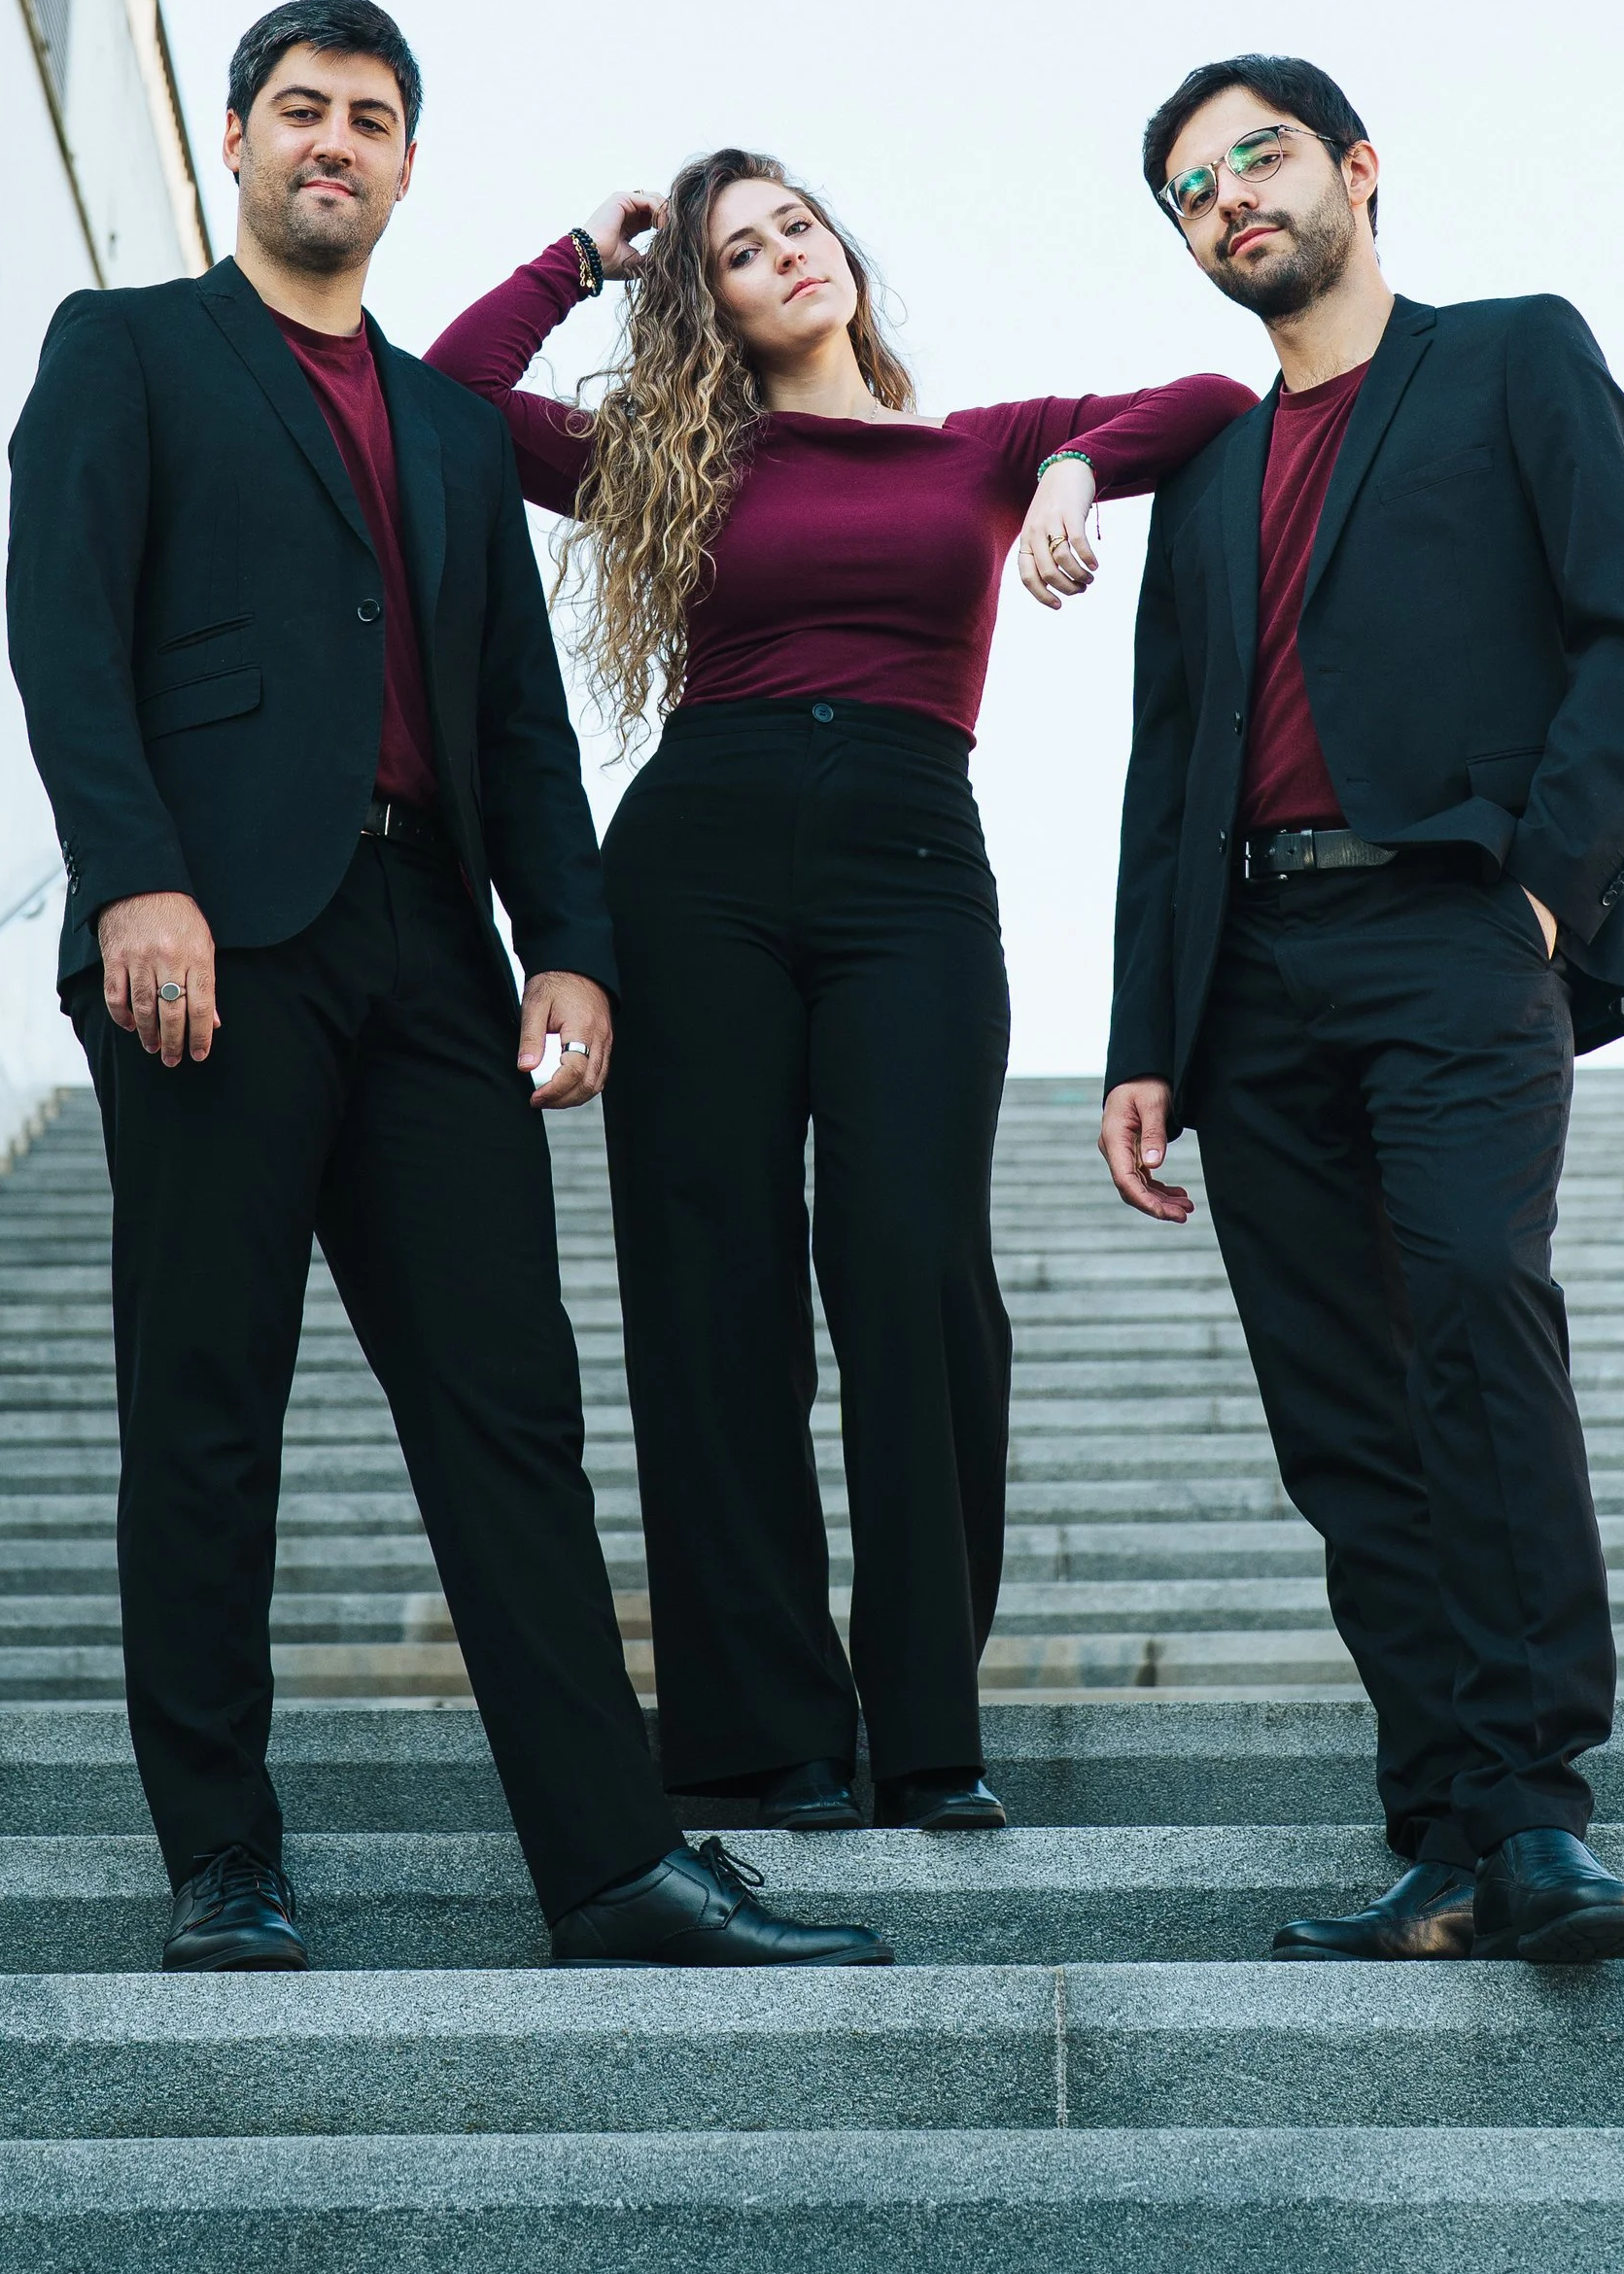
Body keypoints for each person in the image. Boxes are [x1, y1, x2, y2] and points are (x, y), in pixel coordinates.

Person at [6, 0, 887, 1975]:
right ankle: (221, 1858)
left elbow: (515, 715)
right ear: (235, 140)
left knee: (511, 1407)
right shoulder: (126, 350)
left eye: (372, 120)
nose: (334, 142)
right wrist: (135, 876)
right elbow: (65, 637)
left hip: (432, 953)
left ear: (406, 167)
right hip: (211, 945)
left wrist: (566, 942)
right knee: (207, 1402)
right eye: (301, 110)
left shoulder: (433, 421)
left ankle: (611, 1863)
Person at [427, 160, 1252, 1833]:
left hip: (912, 876)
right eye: (738, 250)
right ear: (709, 304)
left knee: (915, 1273)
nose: (781, 255)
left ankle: (929, 1730)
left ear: (844, 254)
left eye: (796, 225)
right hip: (696, 869)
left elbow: (1218, 398)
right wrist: (584, 257)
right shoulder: (673, 460)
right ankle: (758, 1741)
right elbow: (442, 408)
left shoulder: (983, 450)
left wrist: (1079, 471)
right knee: (709, 1288)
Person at [1058, 53, 1624, 1966]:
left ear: (1351, 167)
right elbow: (1167, 767)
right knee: (1336, 1414)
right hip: (1248, 981)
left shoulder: (1511, 357)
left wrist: (1533, 890)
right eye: (1186, 188)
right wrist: (1141, 1042)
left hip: (1445, 921)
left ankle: (1533, 1818)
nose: (1225, 198)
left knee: (1475, 1329)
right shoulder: (1215, 474)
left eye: (1253, 156)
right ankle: (1433, 1830)